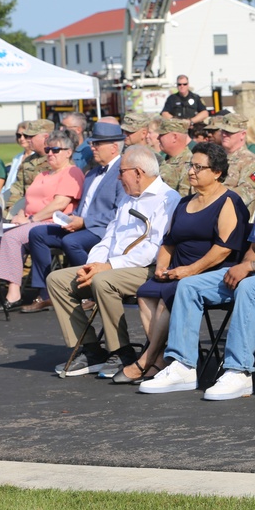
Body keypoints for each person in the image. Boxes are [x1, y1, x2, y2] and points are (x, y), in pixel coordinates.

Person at [139, 142, 255, 398]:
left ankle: (238, 371)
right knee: (188, 286)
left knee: (249, 287)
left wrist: (248, 267)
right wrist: (244, 265)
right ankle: (182, 366)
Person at [112, 143, 250, 383]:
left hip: (211, 271)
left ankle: (147, 360)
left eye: (199, 167)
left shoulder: (229, 201)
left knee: (167, 298)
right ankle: (161, 360)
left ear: (217, 172)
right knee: (146, 293)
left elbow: (223, 249)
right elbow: (168, 242)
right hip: (177, 269)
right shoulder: (185, 203)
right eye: (191, 165)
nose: (191, 172)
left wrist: (190, 270)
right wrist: (162, 267)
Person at [47, 145, 181, 376]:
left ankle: (122, 351)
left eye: (122, 171)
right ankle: (90, 350)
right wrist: (93, 265)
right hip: (112, 266)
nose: (118, 177)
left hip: (146, 269)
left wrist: (107, 267)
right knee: (57, 279)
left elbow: (153, 250)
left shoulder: (168, 198)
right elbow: (109, 237)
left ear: (138, 172)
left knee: (104, 281)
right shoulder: (129, 198)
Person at [23, 122, 128, 314]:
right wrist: (72, 218)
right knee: (37, 233)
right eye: (92, 143)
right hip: (82, 225)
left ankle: (92, 290)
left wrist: (85, 222)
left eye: (97, 144)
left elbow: (120, 211)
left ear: (114, 147)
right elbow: (84, 207)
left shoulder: (123, 172)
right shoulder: (92, 173)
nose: (92, 147)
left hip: (103, 229)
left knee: (71, 242)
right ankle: (45, 293)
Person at [0, 132, 85, 311]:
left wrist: (30, 219)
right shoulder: (42, 174)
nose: (50, 153)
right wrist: (20, 216)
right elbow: (28, 201)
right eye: (48, 149)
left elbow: (60, 203)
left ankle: (14, 292)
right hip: (31, 220)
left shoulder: (71, 172)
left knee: (12, 237)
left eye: (56, 150)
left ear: (68, 152)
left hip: (52, 223)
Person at [205, 112, 255, 209]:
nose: (224, 135)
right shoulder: (216, 158)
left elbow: (246, 193)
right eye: (223, 131)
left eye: (230, 132)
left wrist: (213, 198)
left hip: (232, 215)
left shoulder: (251, 161)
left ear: (242, 134)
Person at [6, 119, 54, 210]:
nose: (27, 140)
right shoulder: (28, 161)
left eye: (31, 136)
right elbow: (17, 189)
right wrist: (11, 208)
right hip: (23, 210)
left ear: (46, 137)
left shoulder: (57, 160)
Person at [157, 118, 193, 196]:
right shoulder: (164, 160)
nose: (158, 138)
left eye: (161, 135)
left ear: (174, 137)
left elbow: (183, 200)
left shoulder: (188, 164)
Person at [1, 122, 31, 196]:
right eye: (19, 135)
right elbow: (9, 182)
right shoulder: (17, 157)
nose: (22, 138)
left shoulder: (37, 157)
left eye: (25, 135)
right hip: (9, 195)